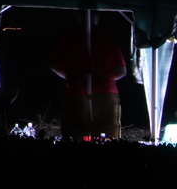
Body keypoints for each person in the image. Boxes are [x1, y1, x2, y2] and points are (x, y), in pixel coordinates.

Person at [50, 11, 127, 140]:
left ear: (78, 15)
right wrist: (103, 78)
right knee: (105, 134)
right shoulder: (107, 38)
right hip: (104, 93)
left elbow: (55, 65)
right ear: (98, 15)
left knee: (76, 133)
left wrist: (73, 77)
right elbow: (121, 70)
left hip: (78, 92)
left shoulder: (68, 37)